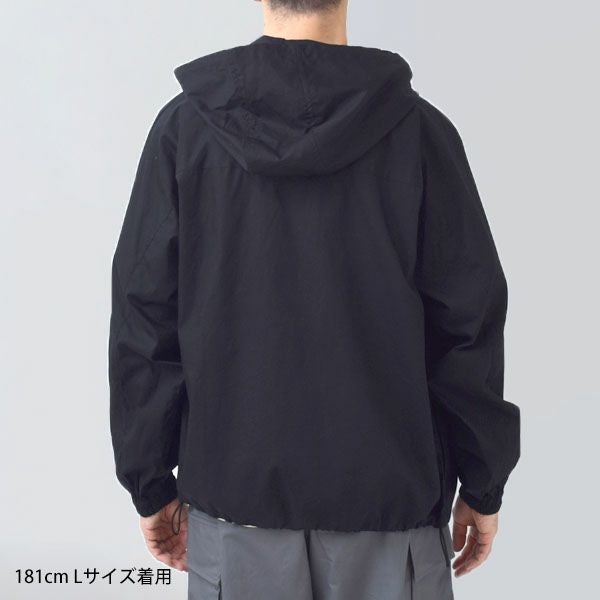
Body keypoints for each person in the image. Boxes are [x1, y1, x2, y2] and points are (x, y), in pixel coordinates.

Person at [108, 0, 521, 598]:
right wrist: (483, 482)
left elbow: (144, 316)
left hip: (237, 512)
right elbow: (468, 321)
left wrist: (150, 484)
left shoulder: (185, 131)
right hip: (391, 512)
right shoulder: (420, 132)